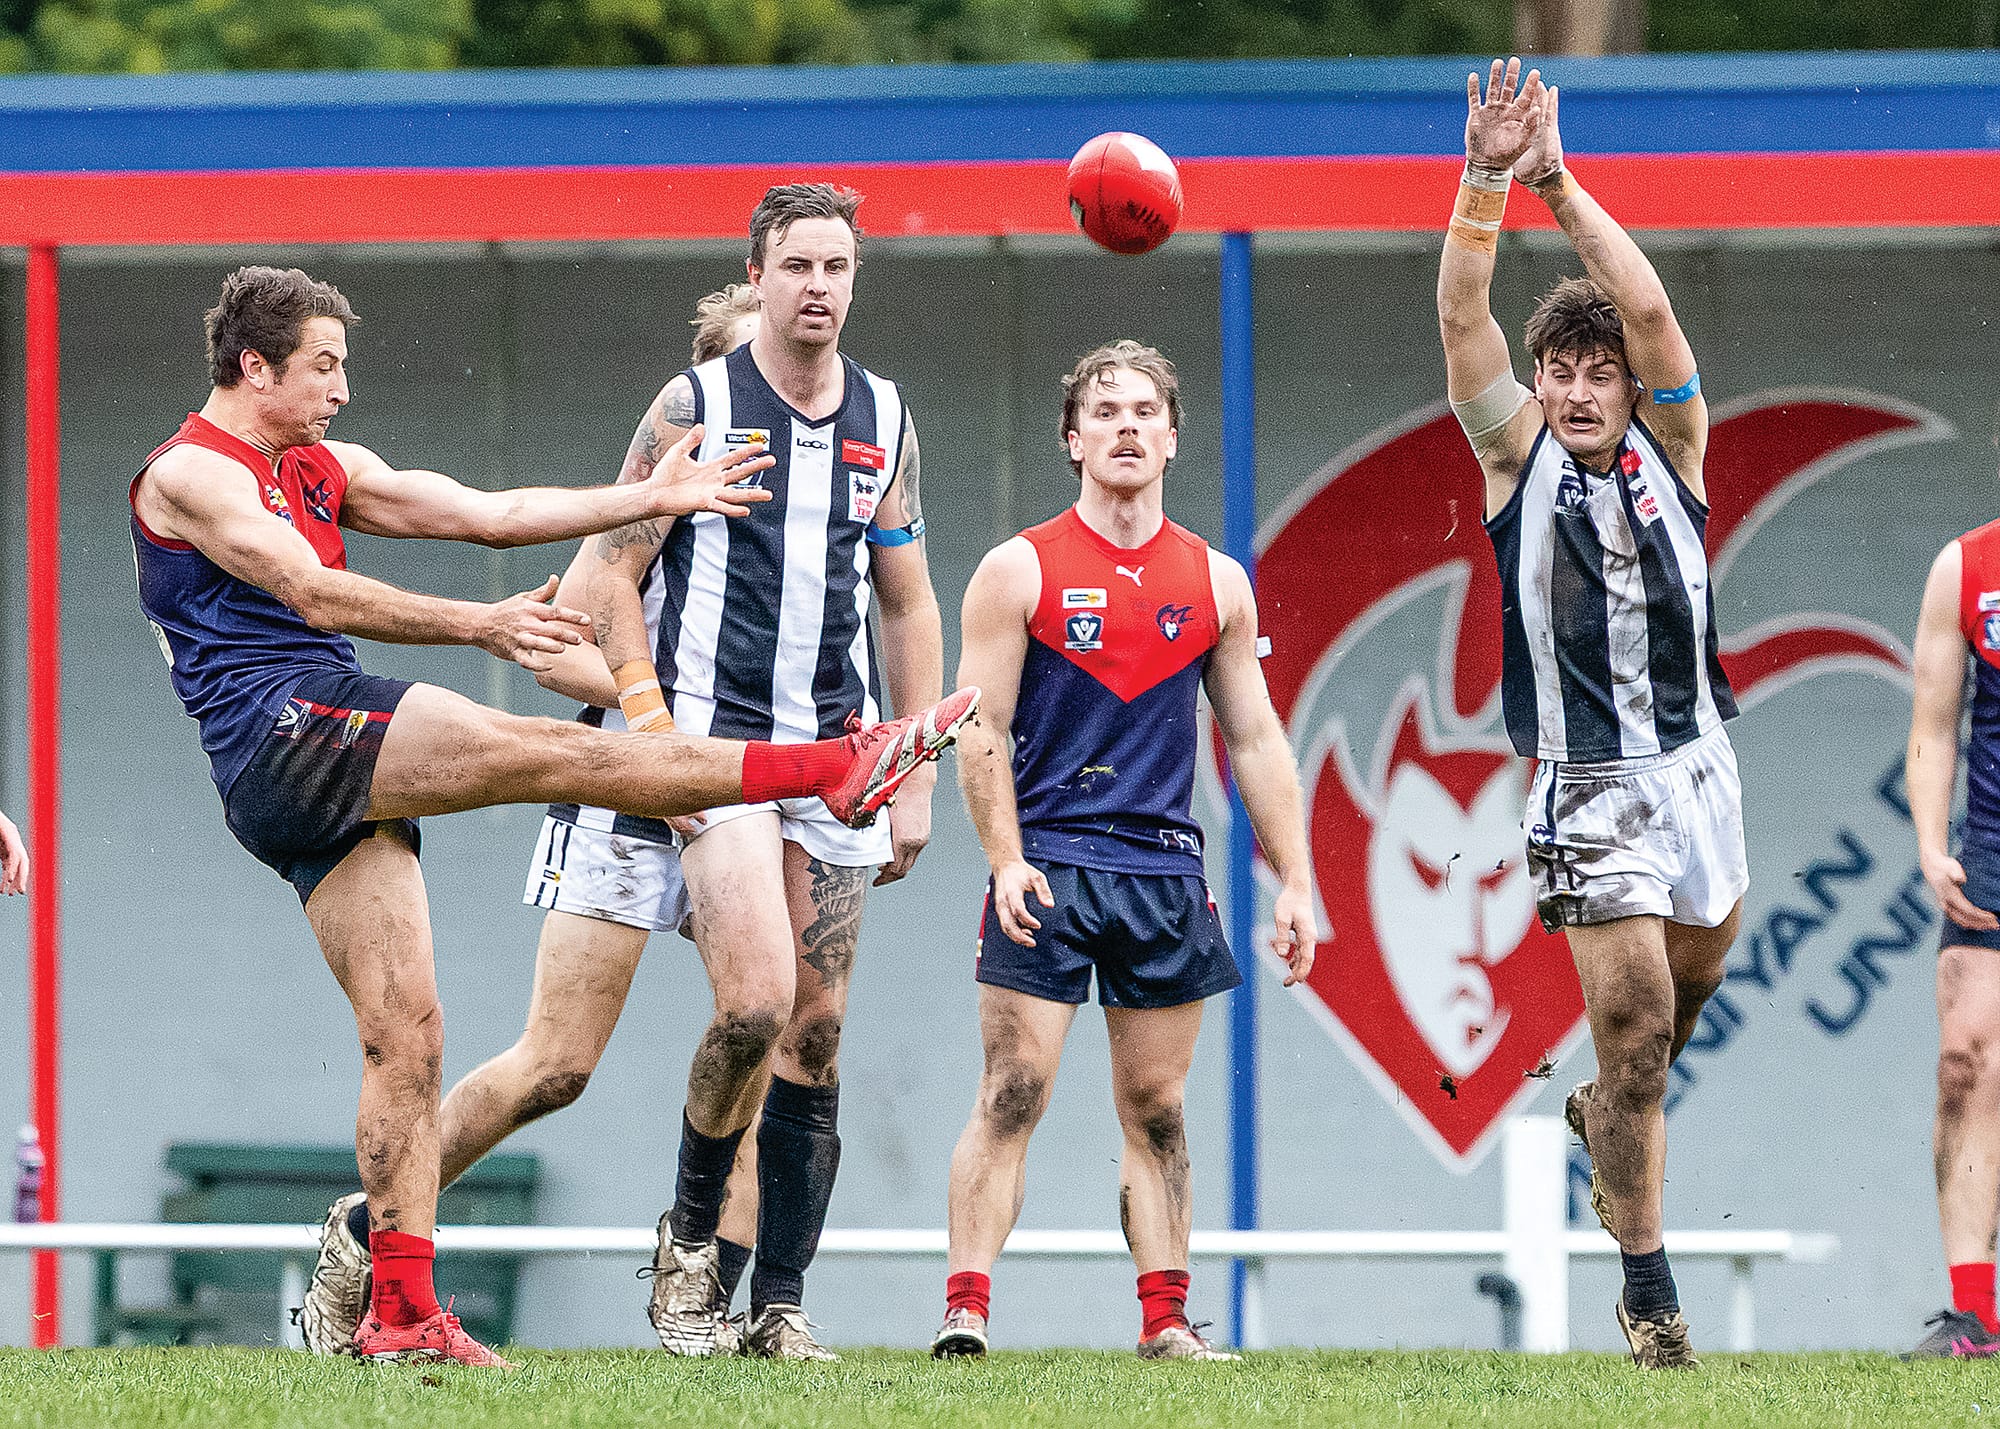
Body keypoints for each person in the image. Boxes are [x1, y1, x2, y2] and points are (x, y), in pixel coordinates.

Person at [133, 264, 977, 1367]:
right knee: (556, 750)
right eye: (325, 367)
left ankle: (398, 1309)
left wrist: (646, 496)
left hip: (322, 768)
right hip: (285, 725)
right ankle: (824, 767)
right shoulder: (194, 471)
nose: (343, 389)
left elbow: (491, 515)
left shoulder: (322, 465)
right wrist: (483, 630)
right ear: (256, 367)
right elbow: (317, 595)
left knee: (410, 1036)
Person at [296, 282, 768, 1358]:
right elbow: (585, 604)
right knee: (555, 1064)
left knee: (763, 1017)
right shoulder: (666, 479)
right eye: (749, 368)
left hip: (751, 779)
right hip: (624, 772)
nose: (772, 392)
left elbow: (887, 604)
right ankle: (370, 1231)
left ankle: (718, 1296)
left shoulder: (833, 481)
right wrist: (642, 726)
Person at [588, 183, 945, 1362]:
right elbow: (607, 573)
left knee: (819, 1029)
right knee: (752, 1004)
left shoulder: (885, 413)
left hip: (831, 757)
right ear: (755, 272)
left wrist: (917, 770)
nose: (819, 288)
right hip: (717, 750)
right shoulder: (694, 400)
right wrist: (650, 731)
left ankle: (777, 1305)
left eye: (838, 267)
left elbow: (904, 594)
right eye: (797, 266)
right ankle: (691, 1245)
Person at [1436, 61, 1747, 1368]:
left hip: (1700, 770)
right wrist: (1486, 179)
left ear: (1629, 388)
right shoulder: (1515, 464)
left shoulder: (1679, 452)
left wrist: (1559, 180)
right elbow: (1463, 321)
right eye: (1555, 370)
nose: (1569, 390)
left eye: (1592, 371)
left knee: (1670, 1020)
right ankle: (1651, 1295)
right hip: (1586, 785)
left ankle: (1607, 1114)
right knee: (1634, 1035)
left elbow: (1656, 310)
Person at [929, 340, 1317, 1362]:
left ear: (1174, 437)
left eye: (1145, 410)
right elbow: (980, 726)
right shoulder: (1018, 567)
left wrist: (1295, 880)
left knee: (1156, 1105)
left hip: (1162, 870)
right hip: (1048, 859)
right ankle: (964, 1311)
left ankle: (1163, 1322)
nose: (1127, 426)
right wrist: (1003, 858)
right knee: (1014, 1087)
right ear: (1071, 437)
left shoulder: (1214, 581)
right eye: (1104, 411)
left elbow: (1254, 738)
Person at [1903, 495, 2000, 1359]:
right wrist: (1933, 846)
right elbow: (1934, 728)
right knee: (1965, 1060)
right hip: (1993, 858)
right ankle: (1974, 1315)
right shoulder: (1966, 566)